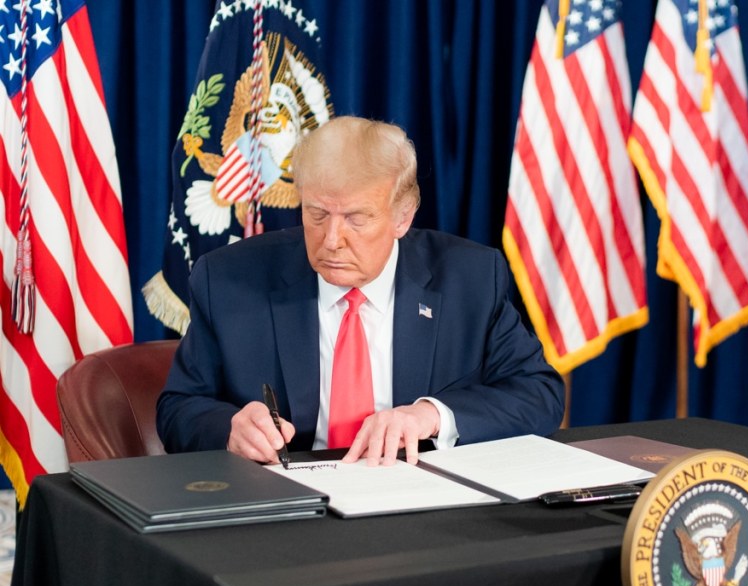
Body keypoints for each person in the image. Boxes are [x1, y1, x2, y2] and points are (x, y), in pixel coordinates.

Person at [157, 116, 565, 466]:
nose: (331, 239)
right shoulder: (229, 281)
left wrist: (431, 416)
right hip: (288, 510)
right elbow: (179, 407)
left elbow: (539, 394)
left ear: (402, 217)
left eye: (356, 219)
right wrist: (230, 430)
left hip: (423, 509)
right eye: (317, 214)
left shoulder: (469, 279)